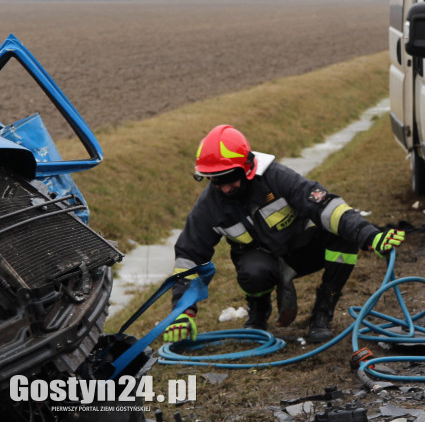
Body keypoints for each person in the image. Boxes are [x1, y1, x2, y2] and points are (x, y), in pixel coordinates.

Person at [161, 125, 405, 344]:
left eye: (229, 178)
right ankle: (258, 311)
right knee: (253, 272)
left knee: (343, 237)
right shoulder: (208, 206)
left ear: (247, 168)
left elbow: (326, 207)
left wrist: (369, 235)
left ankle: (323, 311)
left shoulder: (276, 178)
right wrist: (183, 312)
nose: (224, 188)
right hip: (260, 261)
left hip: (302, 250)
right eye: (215, 180)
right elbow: (189, 257)